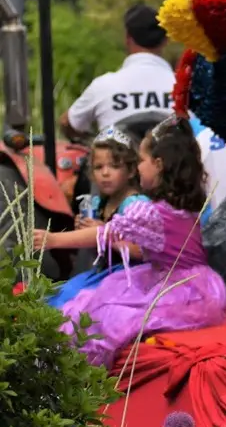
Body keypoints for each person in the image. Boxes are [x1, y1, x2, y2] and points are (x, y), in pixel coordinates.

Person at [45, 118, 226, 368]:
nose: (138, 166)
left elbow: (105, 233)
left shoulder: (150, 212)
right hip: (193, 280)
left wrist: (53, 239)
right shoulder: (177, 204)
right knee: (91, 302)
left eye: (141, 160)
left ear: (158, 165)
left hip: (182, 288)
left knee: (108, 316)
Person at [38, 127, 149, 308]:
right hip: (104, 273)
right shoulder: (100, 203)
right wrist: (84, 231)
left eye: (114, 166)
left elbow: (141, 251)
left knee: (75, 303)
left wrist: (103, 233)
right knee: (59, 296)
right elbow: (96, 245)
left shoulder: (135, 205)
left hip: (131, 278)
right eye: (99, 167)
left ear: (130, 171)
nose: (105, 173)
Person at [61, 5, 175, 140]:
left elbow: (68, 123)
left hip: (116, 153)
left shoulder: (103, 86)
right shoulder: (187, 89)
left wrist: (91, 141)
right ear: (166, 39)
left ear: (127, 38)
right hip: (173, 153)